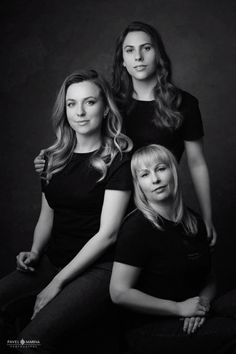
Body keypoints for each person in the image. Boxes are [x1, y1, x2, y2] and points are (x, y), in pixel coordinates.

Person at [34, 21, 216, 246]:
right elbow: (81, 139)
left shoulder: (185, 104)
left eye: (146, 48)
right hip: (111, 207)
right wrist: (50, 158)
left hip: (158, 204)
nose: (138, 57)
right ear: (122, 59)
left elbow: (197, 164)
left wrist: (208, 218)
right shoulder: (111, 103)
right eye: (129, 50)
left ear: (158, 54)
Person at [0, 69, 133, 354]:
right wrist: (35, 252)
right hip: (53, 261)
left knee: (28, 344)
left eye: (90, 102)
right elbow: (47, 216)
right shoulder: (52, 158)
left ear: (106, 108)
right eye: (72, 104)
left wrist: (56, 284)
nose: (80, 112)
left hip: (100, 268)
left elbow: (108, 235)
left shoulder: (118, 160)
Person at [110, 144, 236, 354]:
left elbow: (210, 278)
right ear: (138, 184)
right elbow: (119, 293)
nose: (155, 179)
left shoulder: (194, 222)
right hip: (149, 328)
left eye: (160, 169)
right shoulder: (136, 228)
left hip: (193, 315)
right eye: (144, 174)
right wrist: (179, 308)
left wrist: (200, 306)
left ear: (174, 171)